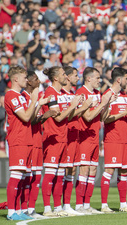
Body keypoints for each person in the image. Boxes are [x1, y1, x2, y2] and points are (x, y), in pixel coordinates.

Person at [41, 67, 82, 217]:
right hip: (53, 138)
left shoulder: (60, 94)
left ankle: (58, 208)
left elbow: (66, 116)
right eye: (64, 74)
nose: (66, 76)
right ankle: (47, 208)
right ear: (56, 78)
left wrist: (76, 105)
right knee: (51, 174)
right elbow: (58, 118)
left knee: (59, 175)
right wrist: (73, 105)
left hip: (63, 138)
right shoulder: (50, 93)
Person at [74, 67, 115, 214]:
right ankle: (79, 205)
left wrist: (107, 104)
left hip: (95, 137)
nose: (99, 80)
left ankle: (87, 204)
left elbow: (102, 118)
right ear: (89, 78)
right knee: (84, 169)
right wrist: (103, 103)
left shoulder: (98, 94)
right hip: (84, 137)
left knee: (93, 170)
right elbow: (88, 117)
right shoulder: (81, 93)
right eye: (97, 78)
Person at [101, 67, 127, 213]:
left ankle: (123, 205)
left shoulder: (124, 95)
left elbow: (125, 118)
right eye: (126, 78)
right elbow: (104, 118)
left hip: (124, 139)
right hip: (112, 138)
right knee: (109, 170)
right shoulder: (107, 95)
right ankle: (104, 205)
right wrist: (125, 112)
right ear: (119, 79)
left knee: (124, 171)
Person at [21, 71, 59, 219]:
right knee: (27, 177)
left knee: (36, 177)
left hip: (37, 140)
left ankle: (31, 209)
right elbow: (29, 120)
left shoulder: (35, 97)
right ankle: (22, 209)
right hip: (27, 141)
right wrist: (44, 113)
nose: (39, 81)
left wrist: (43, 114)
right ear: (29, 82)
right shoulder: (23, 96)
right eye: (36, 79)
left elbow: (36, 119)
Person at [5, 66, 39, 220]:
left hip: (26, 140)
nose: (27, 80)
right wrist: (34, 100)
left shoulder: (20, 97)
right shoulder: (11, 96)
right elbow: (25, 117)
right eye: (25, 77)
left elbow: (30, 118)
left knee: (23, 177)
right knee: (16, 175)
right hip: (17, 140)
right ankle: (11, 212)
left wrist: (35, 103)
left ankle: (18, 210)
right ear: (16, 79)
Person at [61, 66, 94, 216]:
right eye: (75, 75)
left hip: (75, 136)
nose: (77, 78)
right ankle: (57, 206)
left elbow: (75, 114)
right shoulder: (60, 94)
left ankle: (68, 205)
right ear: (67, 77)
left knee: (72, 170)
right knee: (62, 171)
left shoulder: (72, 94)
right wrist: (85, 107)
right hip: (64, 137)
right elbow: (66, 116)